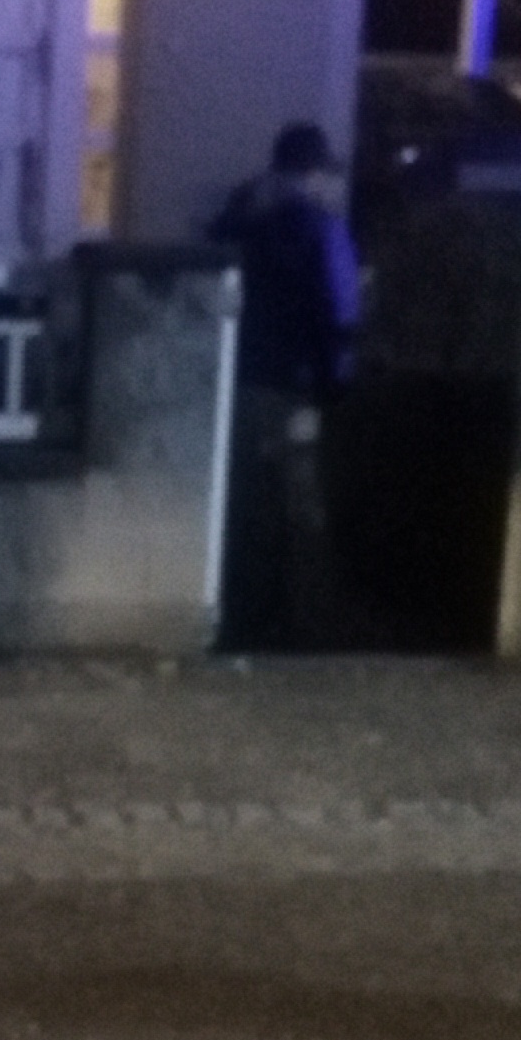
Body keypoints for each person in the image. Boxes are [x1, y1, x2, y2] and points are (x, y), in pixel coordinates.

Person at [210, 119, 362, 649]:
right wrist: (336, 383)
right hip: (295, 387)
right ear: (314, 172)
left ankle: (238, 614)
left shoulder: (238, 218)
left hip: (239, 382)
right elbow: (340, 310)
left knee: (241, 500)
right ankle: (306, 623)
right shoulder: (322, 228)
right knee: (301, 507)